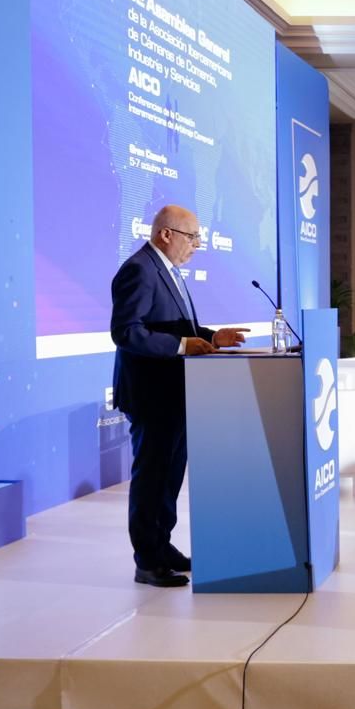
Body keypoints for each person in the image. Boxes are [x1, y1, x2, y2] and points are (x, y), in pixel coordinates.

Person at [110, 205, 247, 588]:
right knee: (152, 478)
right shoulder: (138, 269)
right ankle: (147, 561)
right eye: (192, 237)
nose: (197, 246)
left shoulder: (168, 271)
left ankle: (163, 545)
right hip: (151, 395)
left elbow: (175, 327)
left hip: (176, 394)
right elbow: (126, 332)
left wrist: (210, 336)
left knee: (170, 477)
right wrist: (185, 344)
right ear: (166, 234)